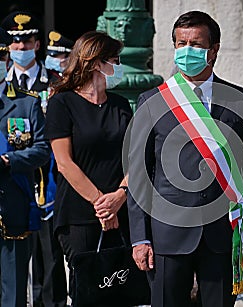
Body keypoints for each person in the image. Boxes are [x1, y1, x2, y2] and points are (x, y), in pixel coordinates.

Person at [128, 11, 243, 307]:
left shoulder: (241, 100)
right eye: (181, 44)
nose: (187, 51)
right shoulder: (152, 101)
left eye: (195, 44)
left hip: (223, 233)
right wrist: (140, 238)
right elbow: (140, 175)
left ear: (214, 50)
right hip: (167, 235)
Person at [44, 31, 134, 306]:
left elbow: (136, 158)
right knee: (89, 294)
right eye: (115, 59)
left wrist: (119, 196)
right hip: (79, 215)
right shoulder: (62, 103)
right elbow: (64, 162)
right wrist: (101, 204)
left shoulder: (120, 105)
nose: (119, 66)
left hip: (121, 210)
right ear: (97, 62)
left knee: (122, 291)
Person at [0, 26, 50, 307]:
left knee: (14, 290)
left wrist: (9, 160)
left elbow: (42, 149)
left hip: (12, 208)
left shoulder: (25, 104)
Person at [30, 30, 74, 307]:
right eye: (52, 54)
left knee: (53, 253)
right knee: (36, 251)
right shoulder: (32, 86)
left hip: (57, 176)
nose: (54, 60)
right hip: (34, 176)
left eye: (61, 55)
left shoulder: (64, 88)